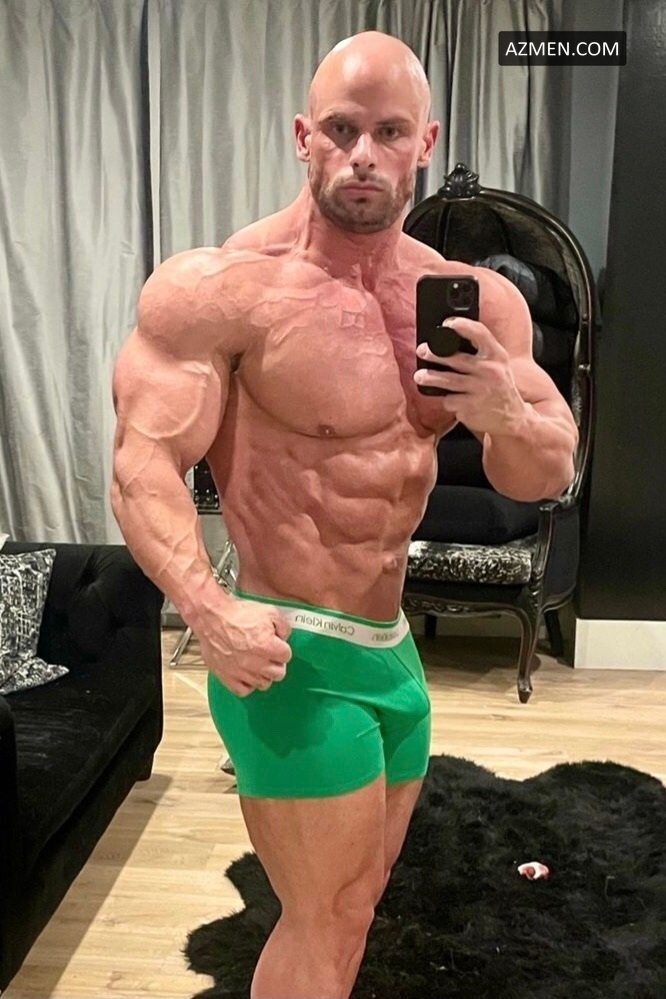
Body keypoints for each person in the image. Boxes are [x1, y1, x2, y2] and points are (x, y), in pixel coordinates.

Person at [111, 30, 578, 999]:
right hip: (288, 651)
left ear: (425, 143)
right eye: (340, 129)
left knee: (356, 903)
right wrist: (208, 610)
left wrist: (502, 410)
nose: (362, 153)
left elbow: (547, 471)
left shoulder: (478, 305)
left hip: (389, 647)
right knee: (322, 915)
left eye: (389, 131)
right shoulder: (223, 290)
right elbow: (142, 463)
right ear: (303, 137)